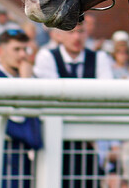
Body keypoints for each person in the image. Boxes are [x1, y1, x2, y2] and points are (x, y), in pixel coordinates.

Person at [33, 25, 112, 187]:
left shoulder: (100, 57)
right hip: (56, 143)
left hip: (90, 144)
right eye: (71, 31)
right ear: (58, 35)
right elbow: (52, 99)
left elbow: (106, 97)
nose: (76, 37)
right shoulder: (46, 56)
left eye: (81, 32)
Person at [0, 28, 43, 188]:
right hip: (0, 166)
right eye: (16, 49)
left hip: (24, 166)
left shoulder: (32, 77)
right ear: (0, 51)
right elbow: (25, 129)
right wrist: (26, 82)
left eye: (26, 49)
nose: (23, 55)